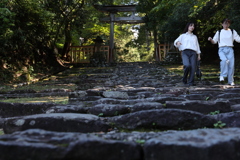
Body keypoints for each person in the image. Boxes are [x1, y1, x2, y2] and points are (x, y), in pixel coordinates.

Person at [208, 18, 240, 86]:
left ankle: (230, 81)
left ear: (229, 24)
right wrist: (211, 39)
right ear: (222, 24)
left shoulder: (232, 31)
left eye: (228, 23)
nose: (226, 25)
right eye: (225, 23)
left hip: (230, 49)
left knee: (231, 65)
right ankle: (222, 75)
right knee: (224, 60)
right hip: (222, 49)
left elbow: (238, 39)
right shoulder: (219, 32)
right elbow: (214, 41)